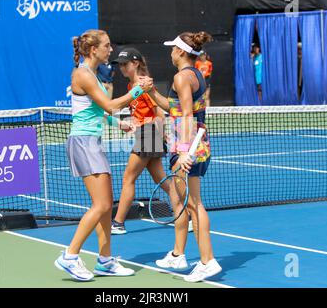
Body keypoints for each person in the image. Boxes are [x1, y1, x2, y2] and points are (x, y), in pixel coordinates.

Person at [54, 29, 152, 282]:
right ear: (93, 49)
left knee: (106, 207)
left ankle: (105, 260)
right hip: (84, 143)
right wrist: (138, 91)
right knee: (102, 205)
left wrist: (117, 124)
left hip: (92, 141)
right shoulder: (83, 74)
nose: (111, 50)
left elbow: (98, 111)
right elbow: (108, 105)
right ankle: (70, 256)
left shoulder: (93, 75)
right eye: (107, 46)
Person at [146, 32, 222, 282]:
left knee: (193, 204)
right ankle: (179, 255)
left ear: (180, 51)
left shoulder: (181, 77)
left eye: (172, 49)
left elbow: (187, 115)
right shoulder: (195, 74)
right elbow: (174, 108)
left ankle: (207, 261)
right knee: (186, 202)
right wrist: (151, 92)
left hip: (188, 148)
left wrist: (182, 154)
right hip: (199, 145)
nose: (170, 53)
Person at [109, 47, 170, 235]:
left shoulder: (144, 85)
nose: (122, 68)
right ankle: (188, 213)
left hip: (150, 134)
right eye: (120, 65)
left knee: (128, 177)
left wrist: (159, 134)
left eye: (125, 64)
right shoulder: (132, 87)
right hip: (145, 134)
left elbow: (160, 112)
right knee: (160, 178)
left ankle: (118, 223)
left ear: (135, 63)